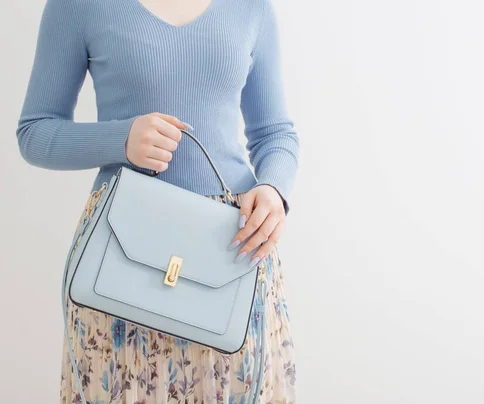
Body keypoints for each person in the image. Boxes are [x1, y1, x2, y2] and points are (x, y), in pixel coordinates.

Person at [16, 0, 299, 402]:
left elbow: (275, 133)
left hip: (233, 250)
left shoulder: (251, 7)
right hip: (119, 253)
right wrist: (121, 140)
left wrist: (273, 189)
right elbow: (35, 132)